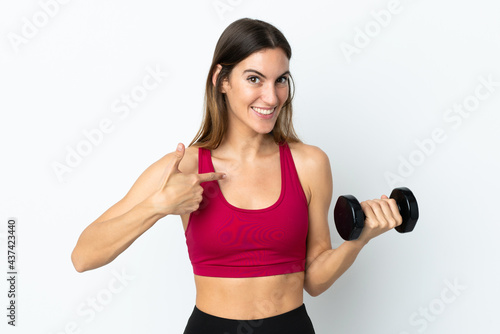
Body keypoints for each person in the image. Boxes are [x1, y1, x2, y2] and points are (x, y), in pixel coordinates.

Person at [71, 18, 403, 334]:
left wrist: (358, 240)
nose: (272, 98)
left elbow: (314, 280)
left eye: (281, 80)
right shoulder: (184, 168)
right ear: (222, 80)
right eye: (254, 79)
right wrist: (158, 205)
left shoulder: (309, 163)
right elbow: (83, 256)